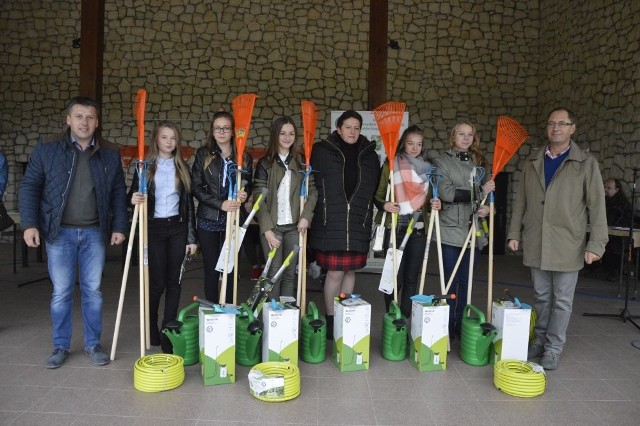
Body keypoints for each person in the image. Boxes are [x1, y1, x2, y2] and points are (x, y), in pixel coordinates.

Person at [19, 96, 128, 368]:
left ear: (97, 122)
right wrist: (30, 223)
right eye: (79, 116)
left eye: (90, 117)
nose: (84, 122)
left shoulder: (110, 153)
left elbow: (117, 192)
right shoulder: (48, 149)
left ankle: (93, 344)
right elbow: (30, 186)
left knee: (93, 291)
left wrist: (119, 226)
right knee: (61, 292)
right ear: (68, 120)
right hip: (60, 233)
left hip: (94, 233)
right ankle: (60, 346)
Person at [507, 107, 608, 370]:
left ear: (572, 128)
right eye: (552, 123)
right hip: (537, 240)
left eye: (562, 124)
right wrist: (515, 233)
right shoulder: (533, 161)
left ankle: (553, 347)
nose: (556, 128)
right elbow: (521, 201)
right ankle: (539, 340)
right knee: (541, 296)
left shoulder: (586, 163)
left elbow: (597, 206)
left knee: (562, 300)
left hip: (568, 242)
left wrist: (596, 244)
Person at [309, 110, 380, 339]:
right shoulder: (322, 151)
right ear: (338, 128)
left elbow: (375, 187)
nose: (352, 132)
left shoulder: (369, 155)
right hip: (332, 220)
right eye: (348, 127)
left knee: (350, 270)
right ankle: (331, 317)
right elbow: (311, 182)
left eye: (357, 128)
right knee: (335, 271)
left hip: (358, 220)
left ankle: (344, 314)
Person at [129, 121, 198, 350]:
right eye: (164, 137)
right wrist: (133, 199)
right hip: (154, 229)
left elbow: (188, 206)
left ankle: (168, 329)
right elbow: (131, 197)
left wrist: (191, 238)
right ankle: (150, 328)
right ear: (156, 140)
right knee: (156, 284)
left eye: (173, 138)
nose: (169, 142)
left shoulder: (182, 168)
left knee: (175, 282)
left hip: (177, 229)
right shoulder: (144, 167)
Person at [433, 122, 494, 339]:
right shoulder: (441, 162)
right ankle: (447, 327)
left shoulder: (480, 163)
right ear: (453, 136)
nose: (466, 138)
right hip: (450, 228)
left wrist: (488, 208)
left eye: (470, 135)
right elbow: (447, 193)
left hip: (474, 229)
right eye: (461, 134)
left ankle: (462, 325)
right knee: (450, 281)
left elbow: (489, 197)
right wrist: (479, 191)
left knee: (467, 282)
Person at [374, 125, 441, 317]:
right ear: (403, 143)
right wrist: (385, 204)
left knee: (412, 278)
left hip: (419, 229)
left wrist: (435, 203)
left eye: (419, 144)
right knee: (395, 278)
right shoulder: (391, 164)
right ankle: (392, 315)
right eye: (411, 143)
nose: (415, 148)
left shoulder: (428, 169)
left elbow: (429, 201)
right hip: (395, 228)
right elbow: (378, 196)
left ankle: (405, 318)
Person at [254, 116, 318, 299]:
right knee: (274, 274)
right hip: (273, 227)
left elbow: (312, 192)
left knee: (290, 273)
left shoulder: (301, 163)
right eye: (283, 133)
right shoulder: (266, 163)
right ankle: (271, 317)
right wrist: (266, 229)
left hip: (294, 227)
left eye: (291, 133)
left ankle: (285, 317)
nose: (287, 137)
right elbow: (259, 198)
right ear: (275, 135)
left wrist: (306, 216)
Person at [192, 110, 251, 303]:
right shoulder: (203, 154)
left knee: (231, 267)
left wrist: (244, 193)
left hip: (234, 218)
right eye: (217, 128)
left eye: (226, 128)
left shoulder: (243, 156)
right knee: (211, 267)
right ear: (212, 131)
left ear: (233, 131)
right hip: (209, 217)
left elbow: (247, 183)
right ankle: (212, 308)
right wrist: (220, 204)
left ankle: (229, 308)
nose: (222, 132)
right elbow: (196, 187)